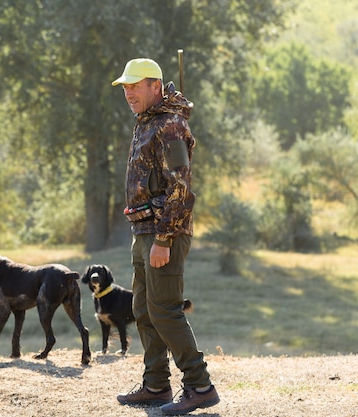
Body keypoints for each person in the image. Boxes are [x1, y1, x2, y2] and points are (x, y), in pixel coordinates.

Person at [111, 58, 220, 415]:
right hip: (143, 230)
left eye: (135, 86)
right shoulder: (146, 121)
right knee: (142, 309)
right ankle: (156, 385)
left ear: (155, 86)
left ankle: (199, 386)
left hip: (163, 233)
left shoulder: (170, 125)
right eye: (125, 87)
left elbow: (180, 188)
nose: (128, 93)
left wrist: (163, 239)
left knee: (165, 311)